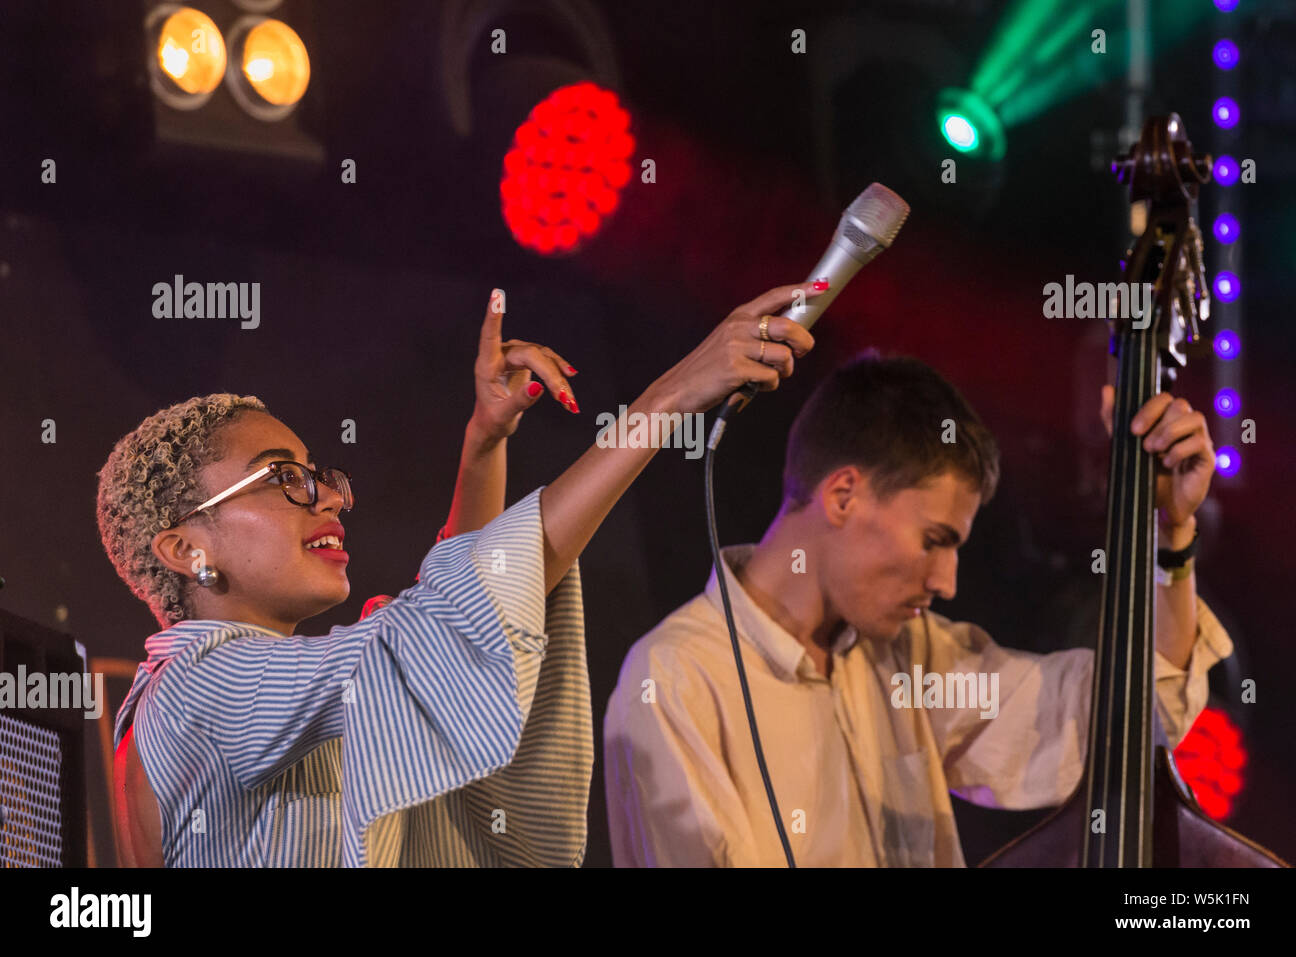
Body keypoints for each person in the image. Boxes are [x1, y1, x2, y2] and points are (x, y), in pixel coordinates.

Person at [99, 283, 821, 866]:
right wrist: (665, 400)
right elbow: (439, 631)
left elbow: (445, 629)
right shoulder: (197, 686)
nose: (325, 494)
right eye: (282, 477)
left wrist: (485, 443)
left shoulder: (262, 694)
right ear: (185, 549)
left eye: (318, 473)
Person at [604, 353, 1233, 867]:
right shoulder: (675, 680)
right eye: (934, 541)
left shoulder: (913, 653)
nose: (948, 582)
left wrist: (1167, 533)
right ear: (844, 495)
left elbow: (1135, 714)